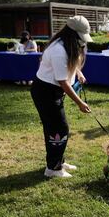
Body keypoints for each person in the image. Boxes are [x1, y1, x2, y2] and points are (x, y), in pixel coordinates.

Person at [30, 15, 92, 178]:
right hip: (46, 92)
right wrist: (80, 103)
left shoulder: (67, 44)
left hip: (53, 91)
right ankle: (53, 169)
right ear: (73, 33)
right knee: (59, 128)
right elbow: (63, 81)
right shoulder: (58, 50)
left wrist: (78, 72)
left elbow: (68, 68)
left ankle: (58, 161)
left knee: (55, 128)